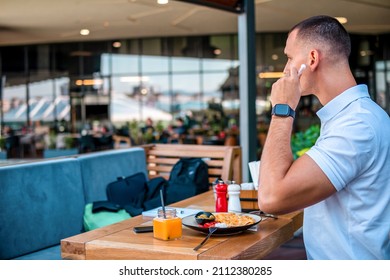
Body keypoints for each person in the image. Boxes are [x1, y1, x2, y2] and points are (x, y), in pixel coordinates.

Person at [258, 15, 390, 260]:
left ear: (312, 59)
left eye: (289, 58)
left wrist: (282, 110)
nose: (286, 69)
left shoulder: (356, 125)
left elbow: (271, 198)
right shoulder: (353, 116)